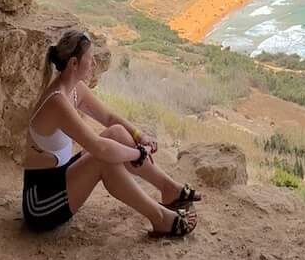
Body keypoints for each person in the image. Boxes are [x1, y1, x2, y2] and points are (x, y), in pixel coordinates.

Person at [21, 30, 200, 239]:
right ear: (73, 64)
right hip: (41, 203)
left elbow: (108, 117)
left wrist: (138, 136)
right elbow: (99, 148)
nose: (94, 64)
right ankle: (160, 218)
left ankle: (169, 189)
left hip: (61, 176)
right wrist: (137, 154)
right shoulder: (57, 102)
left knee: (116, 133)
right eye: (90, 59)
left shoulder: (74, 88)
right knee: (103, 160)